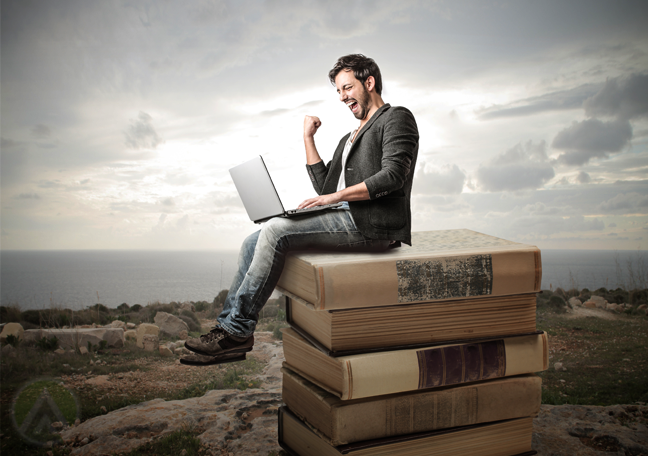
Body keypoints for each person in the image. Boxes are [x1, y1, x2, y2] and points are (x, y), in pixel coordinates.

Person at [182, 54, 419, 365]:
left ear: (369, 82)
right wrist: (307, 138)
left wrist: (335, 199)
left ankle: (236, 331)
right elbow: (324, 189)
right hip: (346, 216)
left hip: (372, 224)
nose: (342, 96)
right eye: (338, 91)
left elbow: (393, 176)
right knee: (253, 241)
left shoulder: (396, 118)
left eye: (347, 87)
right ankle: (230, 334)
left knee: (277, 229)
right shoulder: (350, 137)